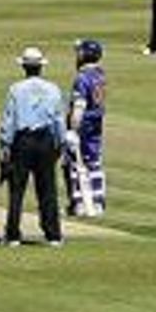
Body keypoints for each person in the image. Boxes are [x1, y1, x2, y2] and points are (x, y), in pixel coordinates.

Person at [0, 45, 66, 246]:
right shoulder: (52, 88)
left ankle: (12, 235)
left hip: (23, 140)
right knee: (47, 189)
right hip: (46, 139)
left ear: (25, 68)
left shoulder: (16, 89)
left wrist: (5, 145)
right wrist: (60, 142)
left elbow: (9, 120)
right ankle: (53, 234)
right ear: (40, 67)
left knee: (17, 189)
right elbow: (58, 119)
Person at [63, 39, 107, 218]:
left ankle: (79, 203)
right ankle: (97, 201)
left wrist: (73, 128)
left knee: (75, 164)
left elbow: (79, 105)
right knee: (94, 162)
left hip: (84, 125)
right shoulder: (100, 75)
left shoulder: (82, 78)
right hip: (97, 123)